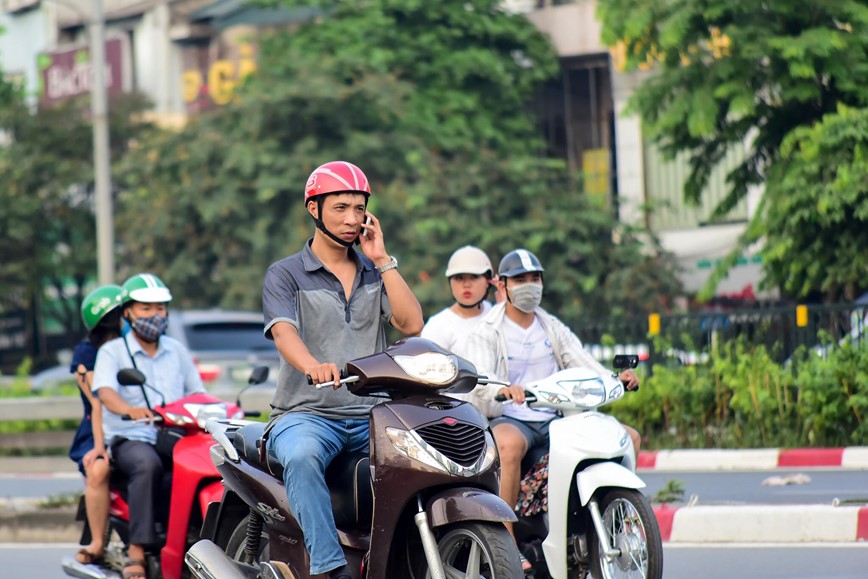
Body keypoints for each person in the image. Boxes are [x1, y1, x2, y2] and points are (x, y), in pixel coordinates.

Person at [263, 160, 423, 579]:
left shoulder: (375, 270)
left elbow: (411, 324)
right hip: (306, 415)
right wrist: (313, 365)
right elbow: (283, 333)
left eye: (359, 208)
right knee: (300, 456)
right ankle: (330, 569)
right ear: (314, 209)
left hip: (373, 413)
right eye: (340, 208)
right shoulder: (285, 274)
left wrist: (384, 259)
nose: (352, 219)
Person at [455, 248, 640, 575]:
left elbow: (583, 363)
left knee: (629, 436)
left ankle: (617, 521)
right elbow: (477, 379)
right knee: (508, 445)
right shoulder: (486, 330)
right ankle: (506, 541)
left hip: (559, 417)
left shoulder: (551, 326)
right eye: (520, 279)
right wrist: (501, 390)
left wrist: (616, 379)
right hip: (513, 417)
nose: (529, 285)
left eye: (535, 279)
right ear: (503, 286)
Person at [92, 273, 205, 579]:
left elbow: (197, 394)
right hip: (131, 437)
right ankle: (137, 550)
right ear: (127, 312)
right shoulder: (112, 351)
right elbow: (105, 392)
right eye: (146, 308)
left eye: (160, 308)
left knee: (204, 467)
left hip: (174, 435)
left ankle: (198, 543)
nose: (156, 315)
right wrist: (130, 410)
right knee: (147, 464)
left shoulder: (177, 351)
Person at [69, 284, 124, 566]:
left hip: (135, 422)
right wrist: (101, 445)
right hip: (97, 428)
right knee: (99, 469)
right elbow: (97, 400)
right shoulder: (87, 353)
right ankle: (98, 543)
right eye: (120, 314)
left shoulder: (137, 345)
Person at [420, 245, 501, 352]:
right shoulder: (437, 326)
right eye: (459, 278)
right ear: (450, 282)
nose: (466, 284)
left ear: (488, 281)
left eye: (474, 277)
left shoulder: (499, 316)